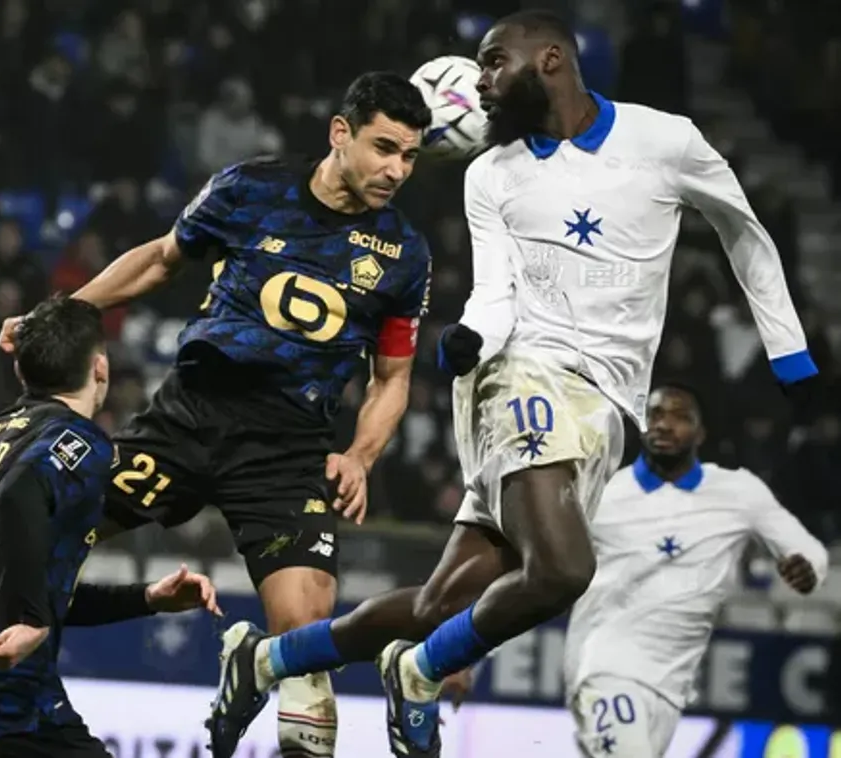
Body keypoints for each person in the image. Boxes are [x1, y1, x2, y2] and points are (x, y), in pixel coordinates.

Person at [205, 10, 823, 758]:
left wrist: (788, 351)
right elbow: (494, 290)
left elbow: (743, 229)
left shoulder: (664, 141)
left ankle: (266, 659)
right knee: (564, 569)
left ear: (551, 59)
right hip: (520, 376)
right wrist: (472, 335)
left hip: (607, 407)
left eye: (495, 61)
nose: (481, 81)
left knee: (438, 606)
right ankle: (421, 672)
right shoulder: (490, 173)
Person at [0, 71, 434, 756]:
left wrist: (360, 456)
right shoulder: (250, 188)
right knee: (33, 533)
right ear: (339, 133)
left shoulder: (405, 254)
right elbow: (160, 261)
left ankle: (252, 669)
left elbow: (392, 378)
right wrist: (58, 314)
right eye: (384, 148)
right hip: (188, 419)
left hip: (287, 453)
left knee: (307, 652)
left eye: (409, 156)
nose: (396, 170)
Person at [0, 296, 220, 757]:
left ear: (21, 372)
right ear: (100, 367)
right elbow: (21, 493)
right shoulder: (77, 439)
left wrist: (148, 598)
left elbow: (32, 584)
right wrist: (34, 622)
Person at [565, 383, 826, 757]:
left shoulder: (738, 493)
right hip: (604, 667)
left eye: (680, 417)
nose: (664, 424)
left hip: (672, 682)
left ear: (701, 433)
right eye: (655, 414)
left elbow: (806, 549)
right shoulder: (601, 494)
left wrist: (808, 567)